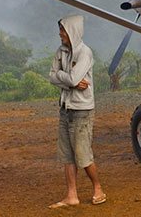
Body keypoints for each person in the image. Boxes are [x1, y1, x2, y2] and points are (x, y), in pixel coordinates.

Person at [48, 15, 106, 209]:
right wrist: (69, 81)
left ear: (72, 31)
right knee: (67, 155)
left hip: (82, 110)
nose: (60, 34)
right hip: (65, 108)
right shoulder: (61, 51)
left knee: (83, 155)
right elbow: (53, 77)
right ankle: (71, 195)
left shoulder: (84, 53)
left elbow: (70, 79)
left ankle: (98, 188)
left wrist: (65, 79)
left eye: (63, 30)